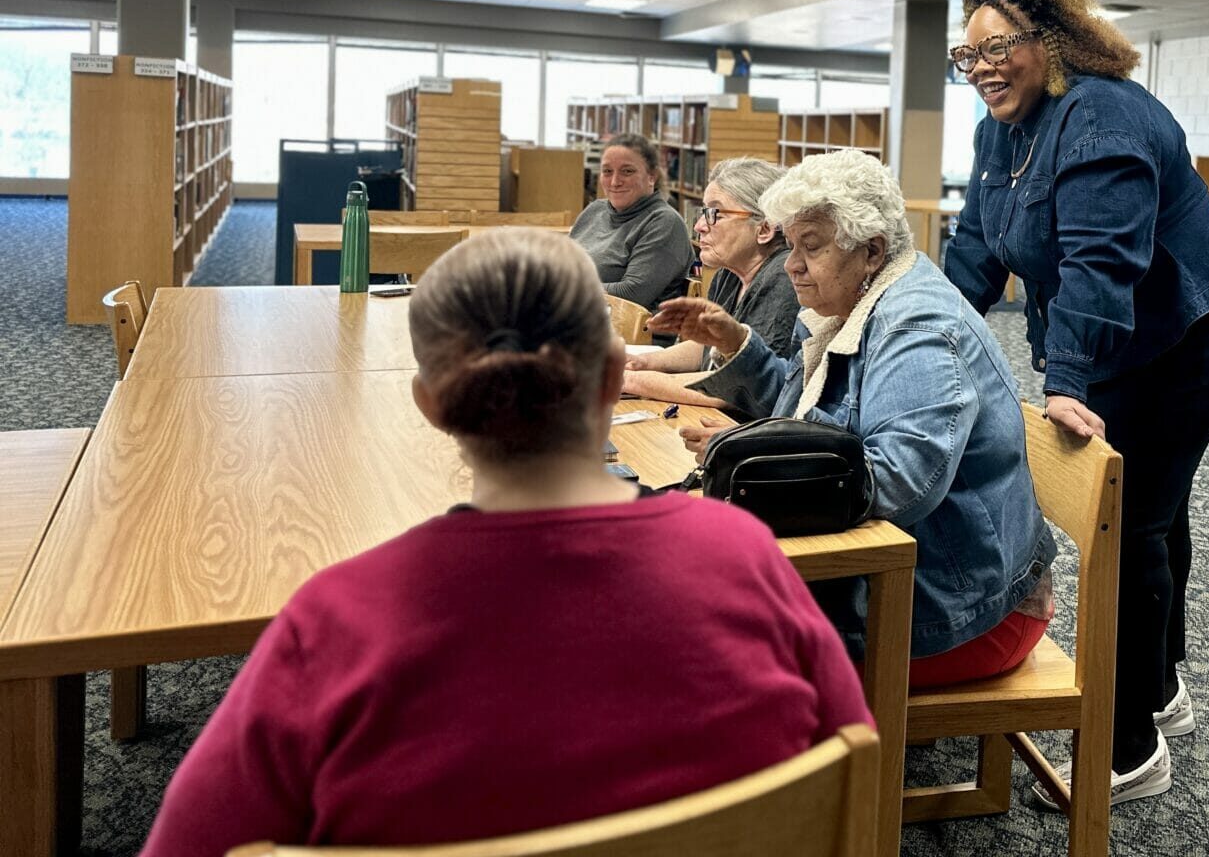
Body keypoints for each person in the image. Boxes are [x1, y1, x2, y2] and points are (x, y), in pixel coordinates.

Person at [141, 229, 870, 854]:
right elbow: (849, 769)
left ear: (431, 404)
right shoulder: (743, 555)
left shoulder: (335, 620)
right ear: (616, 379)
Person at [943, 0, 1209, 806]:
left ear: (1049, 41)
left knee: (1130, 519)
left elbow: (1098, 263)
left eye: (996, 48)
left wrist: (1068, 382)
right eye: (966, 56)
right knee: (1155, 506)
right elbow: (979, 245)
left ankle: (1128, 747)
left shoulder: (1105, 119)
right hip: (1123, 332)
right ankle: (1160, 688)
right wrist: (928, 322)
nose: (980, 70)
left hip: (1198, 330)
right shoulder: (998, 130)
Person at [650, 149, 1056, 688]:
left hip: (961, 613)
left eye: (810, 247)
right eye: (791, 246)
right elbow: (805, 411)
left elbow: (902, 481)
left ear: (871, 251)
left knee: (695, 629)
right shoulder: (850, 304)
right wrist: (736, 347)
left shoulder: (916, 328)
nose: (792, 264)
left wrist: (756, 459)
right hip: (925, 583)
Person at [623, 157, 800, 411]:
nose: (699, 226)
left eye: (714, 214)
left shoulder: (782, 278)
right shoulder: (729, 272)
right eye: (703, 212)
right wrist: (645, 362)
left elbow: (738, 390)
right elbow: (710, 347)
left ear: (765, 229)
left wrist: (632, 381)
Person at [568, 132, 692, 310]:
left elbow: (632, 294)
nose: (615, 182)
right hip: (576, 318)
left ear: (652, 176)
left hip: (633, 334)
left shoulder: (664, 223)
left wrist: (565, 287)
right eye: (607, 171)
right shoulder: (595, 210)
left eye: (627, 171)